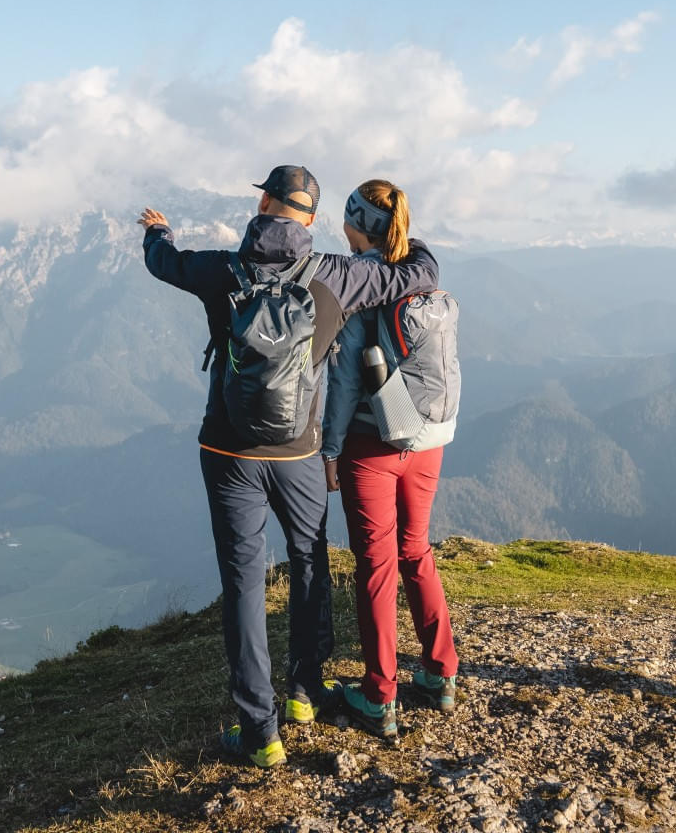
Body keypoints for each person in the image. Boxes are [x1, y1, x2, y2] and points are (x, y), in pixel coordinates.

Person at [137, 165, 440, 769]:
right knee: (308, 561)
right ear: (309, 217)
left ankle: (260, 731)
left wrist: (158, 231)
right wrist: (407, 233)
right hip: (300, 452)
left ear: (266, 204)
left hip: (229, 453)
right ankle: (306, 691)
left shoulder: (221, 269)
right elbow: (421, 272)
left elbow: (162, 263)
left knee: (245, 585)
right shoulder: (337, 275)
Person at [321, 179, 459, 741]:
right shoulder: (420, 270)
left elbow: (345, 381)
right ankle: (440, 673)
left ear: (356, 226)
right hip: (428, 440)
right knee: (416, 551)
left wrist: (330, 451)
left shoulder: (363, 292)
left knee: (376, 567)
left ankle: (380, 696)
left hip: (372, 447)